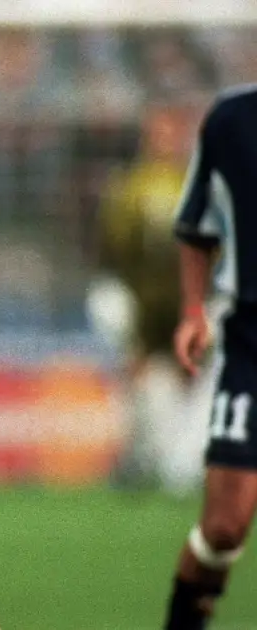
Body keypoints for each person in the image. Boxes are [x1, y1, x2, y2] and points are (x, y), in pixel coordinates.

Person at [164, 85, 257, 630]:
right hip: (250, 340)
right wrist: (193, 310)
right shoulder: (231, 121)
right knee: (224, 526)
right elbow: (197, 227)